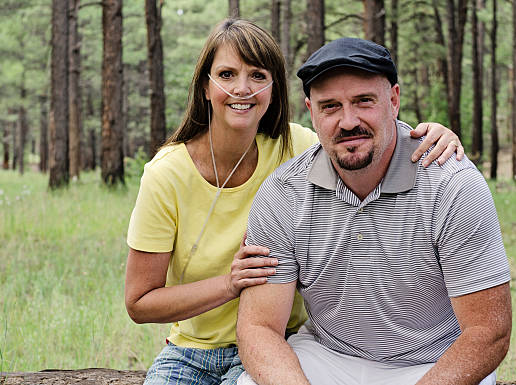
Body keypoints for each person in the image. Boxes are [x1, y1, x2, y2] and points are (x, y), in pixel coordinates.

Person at [125, 20, 463, 385]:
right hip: (191, 350)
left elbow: (361, 134)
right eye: (226, 74)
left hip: (276, 341)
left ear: (273, 88)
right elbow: (139, 302)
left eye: (257, 75)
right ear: (206, 87)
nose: (242, 88)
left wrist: (432, 134)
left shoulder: (298, 148)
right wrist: (230, 283)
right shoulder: (166, 173)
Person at [236, 37, 512, 385]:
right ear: (311, 112)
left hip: (435, 361)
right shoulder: (283, 194)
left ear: (393, 100)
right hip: (328, 355)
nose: (348, 121)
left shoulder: (452, 186)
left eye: (363, 101)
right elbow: (258, 327)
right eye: (330, 106)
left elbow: (489, 331)